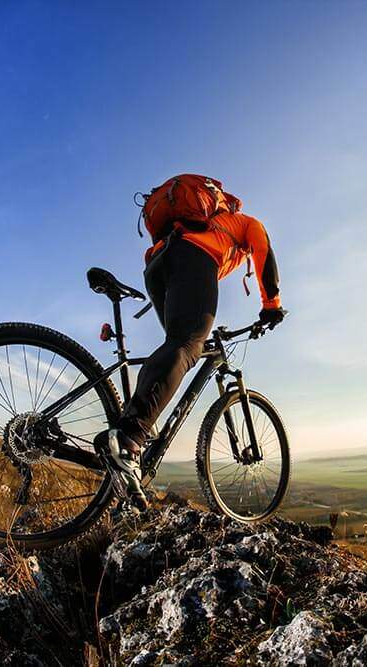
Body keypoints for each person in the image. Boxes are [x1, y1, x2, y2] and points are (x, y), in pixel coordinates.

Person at [94, 186, 285, 507]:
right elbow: (263, 250)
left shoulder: (199, 227)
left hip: (158, 264)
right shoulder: (241, 223)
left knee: (177, 348)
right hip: (191, 257)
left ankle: (130, 436)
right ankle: (129, 439)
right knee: (186, 346)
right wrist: (272, 305)